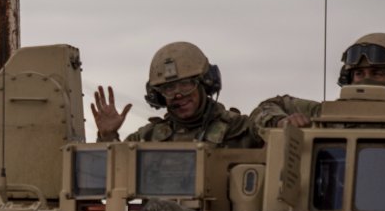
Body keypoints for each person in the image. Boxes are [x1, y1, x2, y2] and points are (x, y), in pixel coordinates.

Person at [90, 41, 263, 149]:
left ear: (206, 83)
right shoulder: (148, 138)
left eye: (186, 84)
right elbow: (108, 175)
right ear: (158, 96)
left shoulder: (238, 130)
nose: (178, 95)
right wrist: (108, 136)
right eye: (169, 88)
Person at [251, 32, 385, 130]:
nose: (365, 81)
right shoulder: (326, 114)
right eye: (359, 73)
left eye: (377, 73)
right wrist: (282, 121)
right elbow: (268, 106)